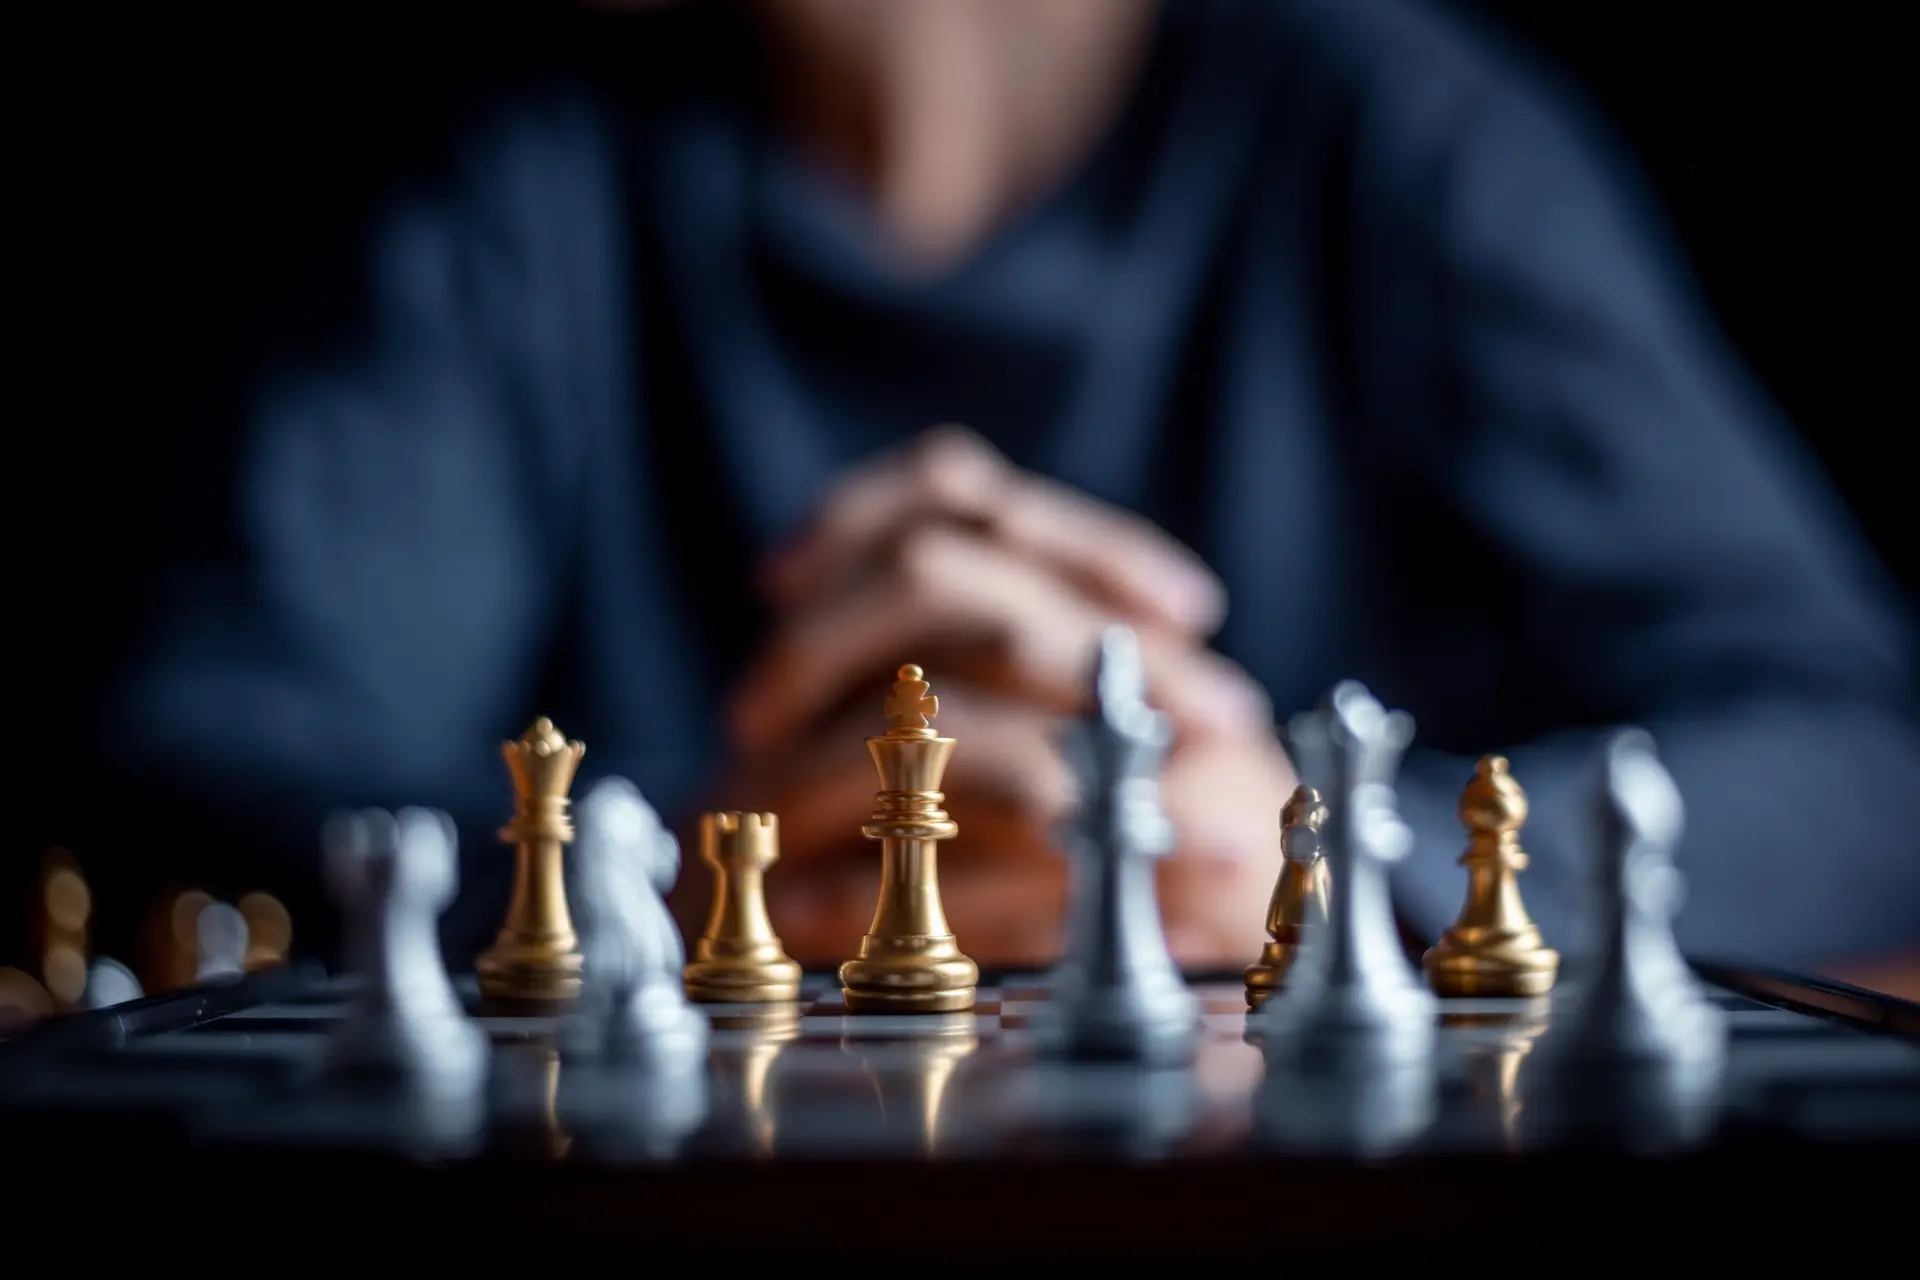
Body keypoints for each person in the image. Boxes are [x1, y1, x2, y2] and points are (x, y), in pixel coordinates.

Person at [82, 0, 1920, 974]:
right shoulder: (531, 188)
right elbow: (200, 763)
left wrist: (1309, 851)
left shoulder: (1398, 127)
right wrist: (726, 870)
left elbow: (1872, 758)